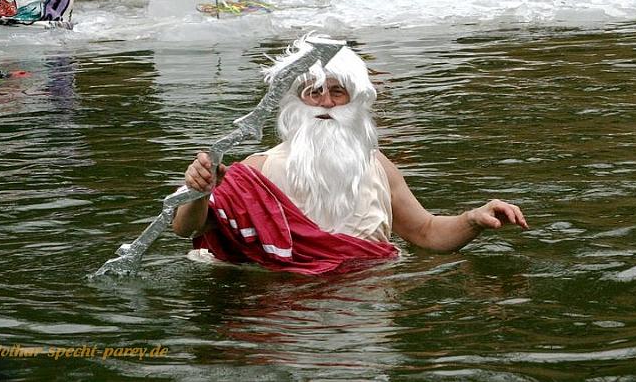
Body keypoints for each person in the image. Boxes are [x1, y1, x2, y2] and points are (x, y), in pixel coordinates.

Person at [173, 35, 528, 274]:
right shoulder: (258, 170)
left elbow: (426, 232)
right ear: (295, 101)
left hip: (365, 304)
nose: (326, 102)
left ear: (355, 100)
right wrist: (197, 192)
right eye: (314, 92)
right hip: (282, 310)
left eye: (338, 92)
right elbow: (186, 227)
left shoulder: (377, 167)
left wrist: (473, 219)